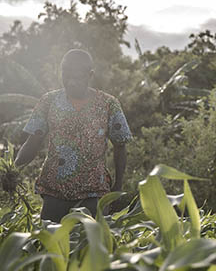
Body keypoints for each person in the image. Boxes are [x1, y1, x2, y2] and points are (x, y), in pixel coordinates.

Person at [14, 49, 132, 221]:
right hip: (54, 190)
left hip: (94, 192)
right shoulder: (49, 101)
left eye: (77, 77)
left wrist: (118, 186)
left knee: (91, 244)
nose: (70, 82)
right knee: (50, 243)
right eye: (66, 76)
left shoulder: (108, 104)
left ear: (90, 75)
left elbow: (120, 145)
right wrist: (13, 170)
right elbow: (33, 141)